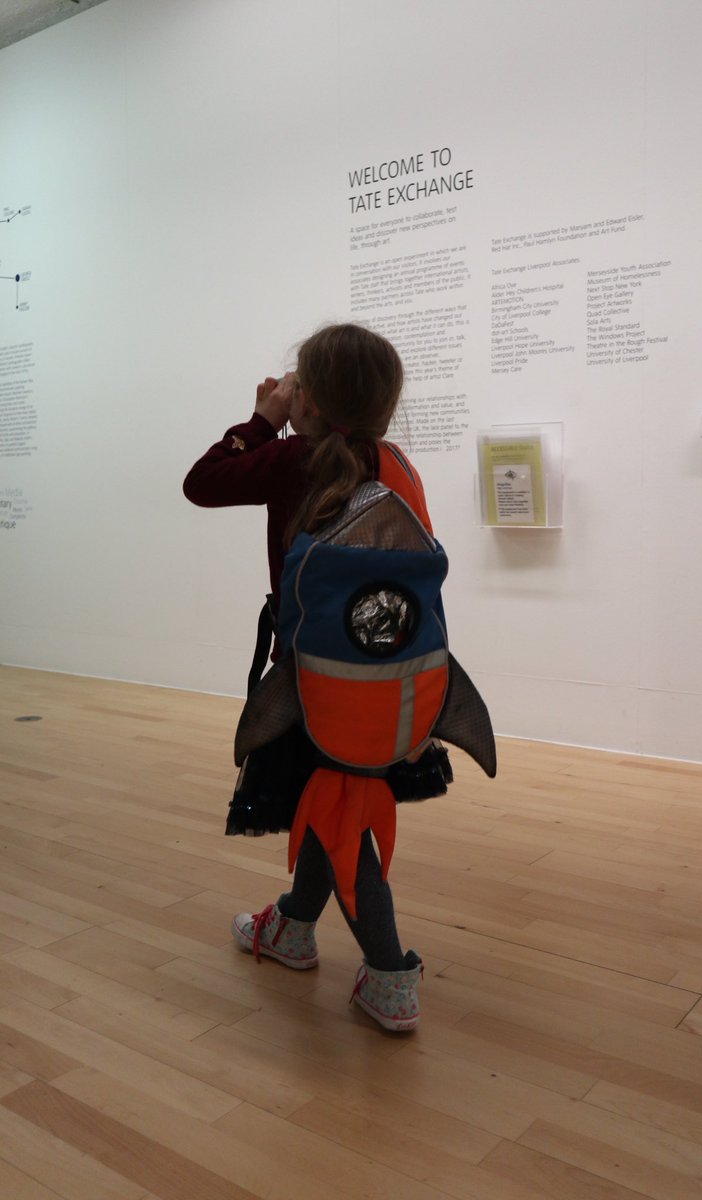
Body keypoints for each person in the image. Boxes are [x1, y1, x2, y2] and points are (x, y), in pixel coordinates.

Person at [183, 323, 451, 1032]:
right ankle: (293, 927)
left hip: (311, 683)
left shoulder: (291, 459)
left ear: (310, 401)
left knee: (336, 815)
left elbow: (200, 483)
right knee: (332, 802)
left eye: (297, 383)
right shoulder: (395, 463)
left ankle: (390, 975)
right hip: (392, 679)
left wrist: (261, 420)